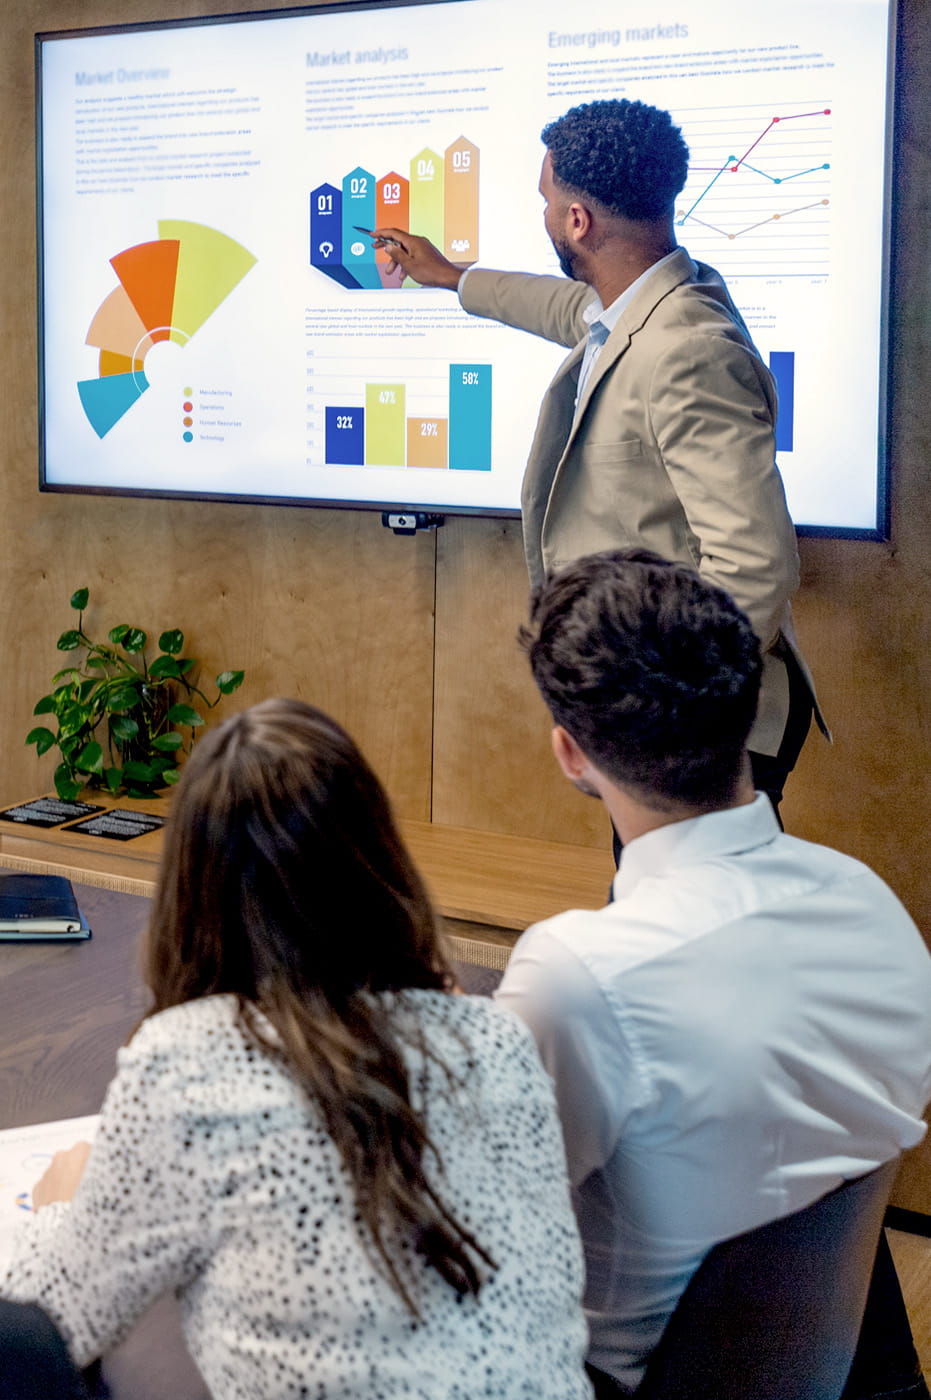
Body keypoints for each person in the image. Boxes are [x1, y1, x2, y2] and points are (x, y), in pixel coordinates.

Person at [0, 698, 592, 1400]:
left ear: (191, 886)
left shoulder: (185, 1062)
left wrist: (62, 1205)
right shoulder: (497, 1040)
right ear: (380, 857)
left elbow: (54, 1321)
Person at [493, 548, 931, 1398]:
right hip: (831, 1373)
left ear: (570, 753)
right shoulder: (869, 905)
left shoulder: (579, 973)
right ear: (748, 710)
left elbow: (477, 1223)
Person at [372, 98, 822, 820]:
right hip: (669, 712)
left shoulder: (686, 350)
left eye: (548, 202)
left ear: (577, 221)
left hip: (700, 730)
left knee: (683, 924)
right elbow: (565, 308)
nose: (545, 215)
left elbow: (757, 564)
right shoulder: (654, 296)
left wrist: (664, 715)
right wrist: (452, 276)